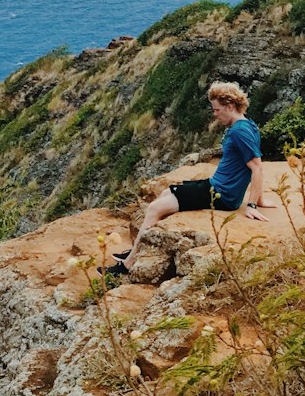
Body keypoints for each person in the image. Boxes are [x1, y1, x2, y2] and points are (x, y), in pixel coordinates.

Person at [103, 80, 269, 277]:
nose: (214, 115)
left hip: (220, 194)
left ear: (230, 106)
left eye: (216, 110)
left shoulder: (240, 131)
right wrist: (259, 198)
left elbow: (256, 166)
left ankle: (128, 265)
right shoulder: (248, 125)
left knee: (155, 208)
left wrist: (252, 205)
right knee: (166, 192)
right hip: (217, 187)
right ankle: (137, 250)